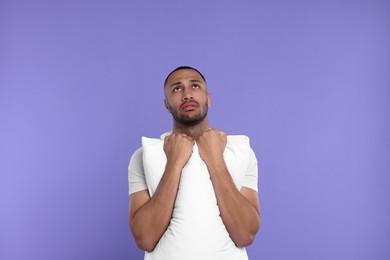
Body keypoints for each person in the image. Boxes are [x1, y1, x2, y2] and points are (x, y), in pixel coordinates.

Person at [128, 66, 260, 260]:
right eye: (177, 89)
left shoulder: (241, 151)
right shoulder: (144, 155)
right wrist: (174, 163)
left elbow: (246, 235)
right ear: (166, 105)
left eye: (195, 86)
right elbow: (145, 239)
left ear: (209, 99)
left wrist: (216, 161)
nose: (187, 94)